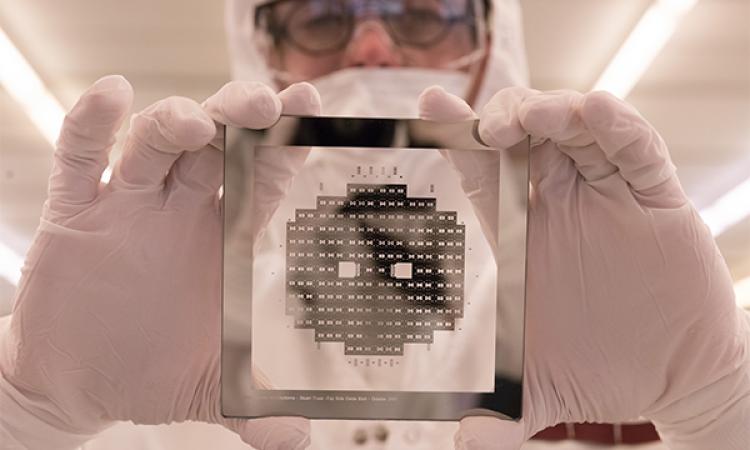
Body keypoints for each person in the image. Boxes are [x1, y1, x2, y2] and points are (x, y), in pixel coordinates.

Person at [1, 1, 748, 450]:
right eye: (322, 16)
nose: (370, 46)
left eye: (422, 12)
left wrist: (717, 406)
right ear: (262, 48)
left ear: (493, 43)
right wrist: (27, 411)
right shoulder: (146, 320)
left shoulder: (608, 304)